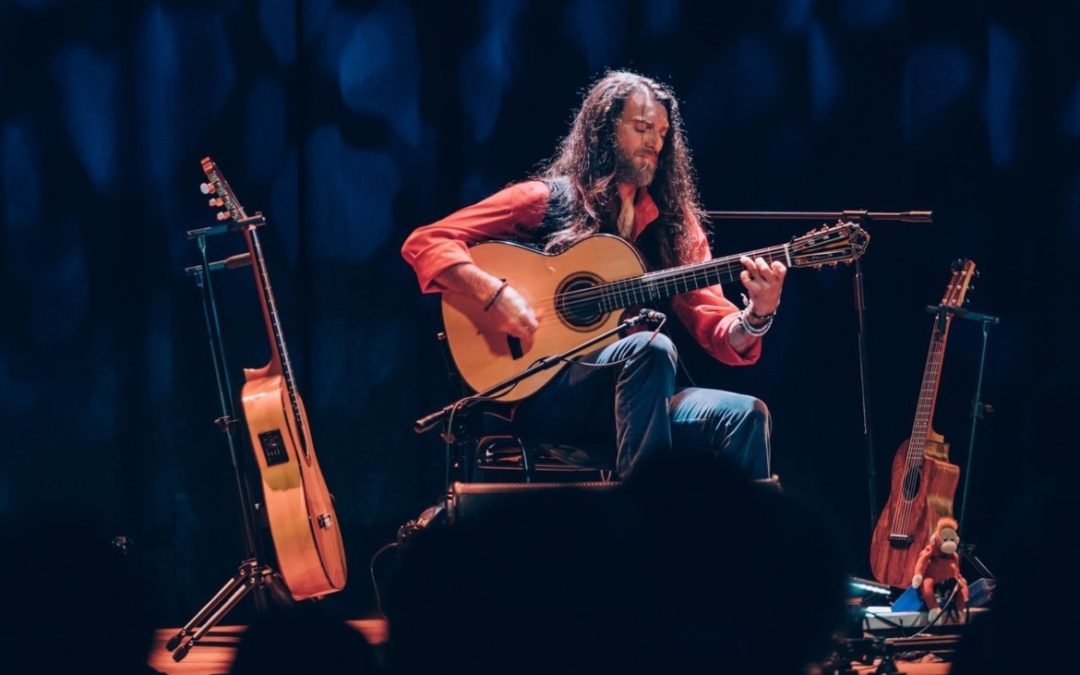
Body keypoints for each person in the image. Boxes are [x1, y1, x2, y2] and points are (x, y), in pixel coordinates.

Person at [401, 70, 786, 480]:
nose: (655, 141)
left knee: (746, 415)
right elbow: (427, 241)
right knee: (649, 349)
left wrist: (758, 315)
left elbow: (718, 328)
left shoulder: (674, 227)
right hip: (545, 394)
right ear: (606, 129)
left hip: (638, 401)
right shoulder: (542, 200)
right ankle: (643, 519)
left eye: (662, 132)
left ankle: (752, 544)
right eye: (641, 128)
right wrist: (493, 294)